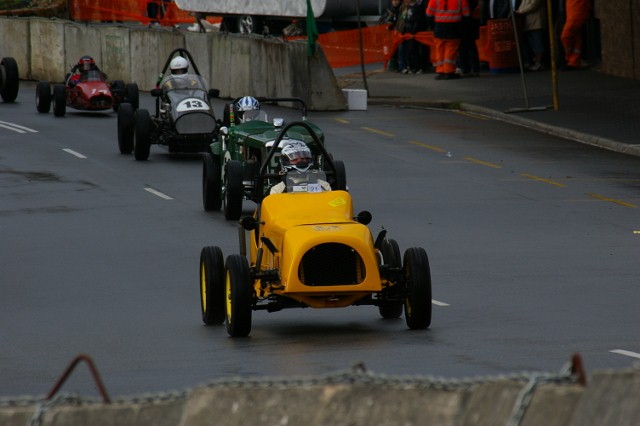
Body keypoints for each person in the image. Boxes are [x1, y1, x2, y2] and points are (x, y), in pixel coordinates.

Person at [426, 0, 471, 80]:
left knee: (439, 49)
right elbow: (466, 14)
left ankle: (440, 70)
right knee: (451, 50)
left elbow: (429, 14)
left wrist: (433, 26)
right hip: (454, 28)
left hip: (439, 28)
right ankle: (449, 71)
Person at [516, 0, 547, 71]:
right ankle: (534, 61)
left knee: (537, 43)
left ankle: (539, 62)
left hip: (536, 22)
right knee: (532, 43)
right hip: (528, 23)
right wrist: (519, 11)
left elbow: (533, 5)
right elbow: (523, 5)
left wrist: (520, 11)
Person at [560, 0, 591, 70]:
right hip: (575, 13)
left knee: (565, 36)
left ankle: (571, 59)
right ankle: (574, 61)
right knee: (576, 37)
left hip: (576, 14)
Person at [457, 0, 481, 76]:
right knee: (472, 47)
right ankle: (474, 68)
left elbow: (465, 13)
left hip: (464, 24)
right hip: (472, 24)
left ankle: (466, 69)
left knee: (463, 48)